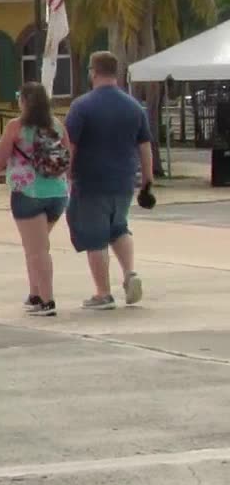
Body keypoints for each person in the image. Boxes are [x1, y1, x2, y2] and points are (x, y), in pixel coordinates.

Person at [65, 51, 153, 310]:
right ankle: (129, 273)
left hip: (91, 181)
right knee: (119, 228)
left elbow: (70, 145)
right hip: (124, 179)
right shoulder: (134, 106)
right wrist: (147, 180)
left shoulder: (82, 106)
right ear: (115, 71)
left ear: (93, 71)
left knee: (95, 237)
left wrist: (67, 173)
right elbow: (145, 145)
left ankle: (103, 293)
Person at [0, 82, 70, 316]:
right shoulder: (57, 124)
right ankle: (35, 293)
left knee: (37, 250)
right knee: (37, 246)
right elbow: (68, 154)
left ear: (25, 102)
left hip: (28, 193)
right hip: (57, 193)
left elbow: (0, 156)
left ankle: (47, 301)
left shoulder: (16, 127)